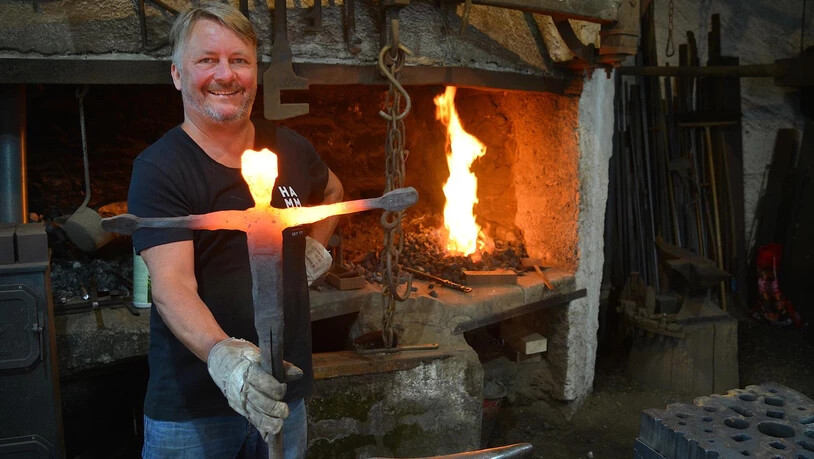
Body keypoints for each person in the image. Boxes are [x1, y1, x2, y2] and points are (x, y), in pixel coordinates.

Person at [127, 2, 343, 458]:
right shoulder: (161, 168)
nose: (225, 75)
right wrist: (229, 363)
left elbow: (333, 193)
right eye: (207, 60)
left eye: (239, 60)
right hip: (193, 410)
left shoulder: (289, 147)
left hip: (285, 394)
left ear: (254, 73)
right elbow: (172, 287)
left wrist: (313, 254)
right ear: (177, 74)